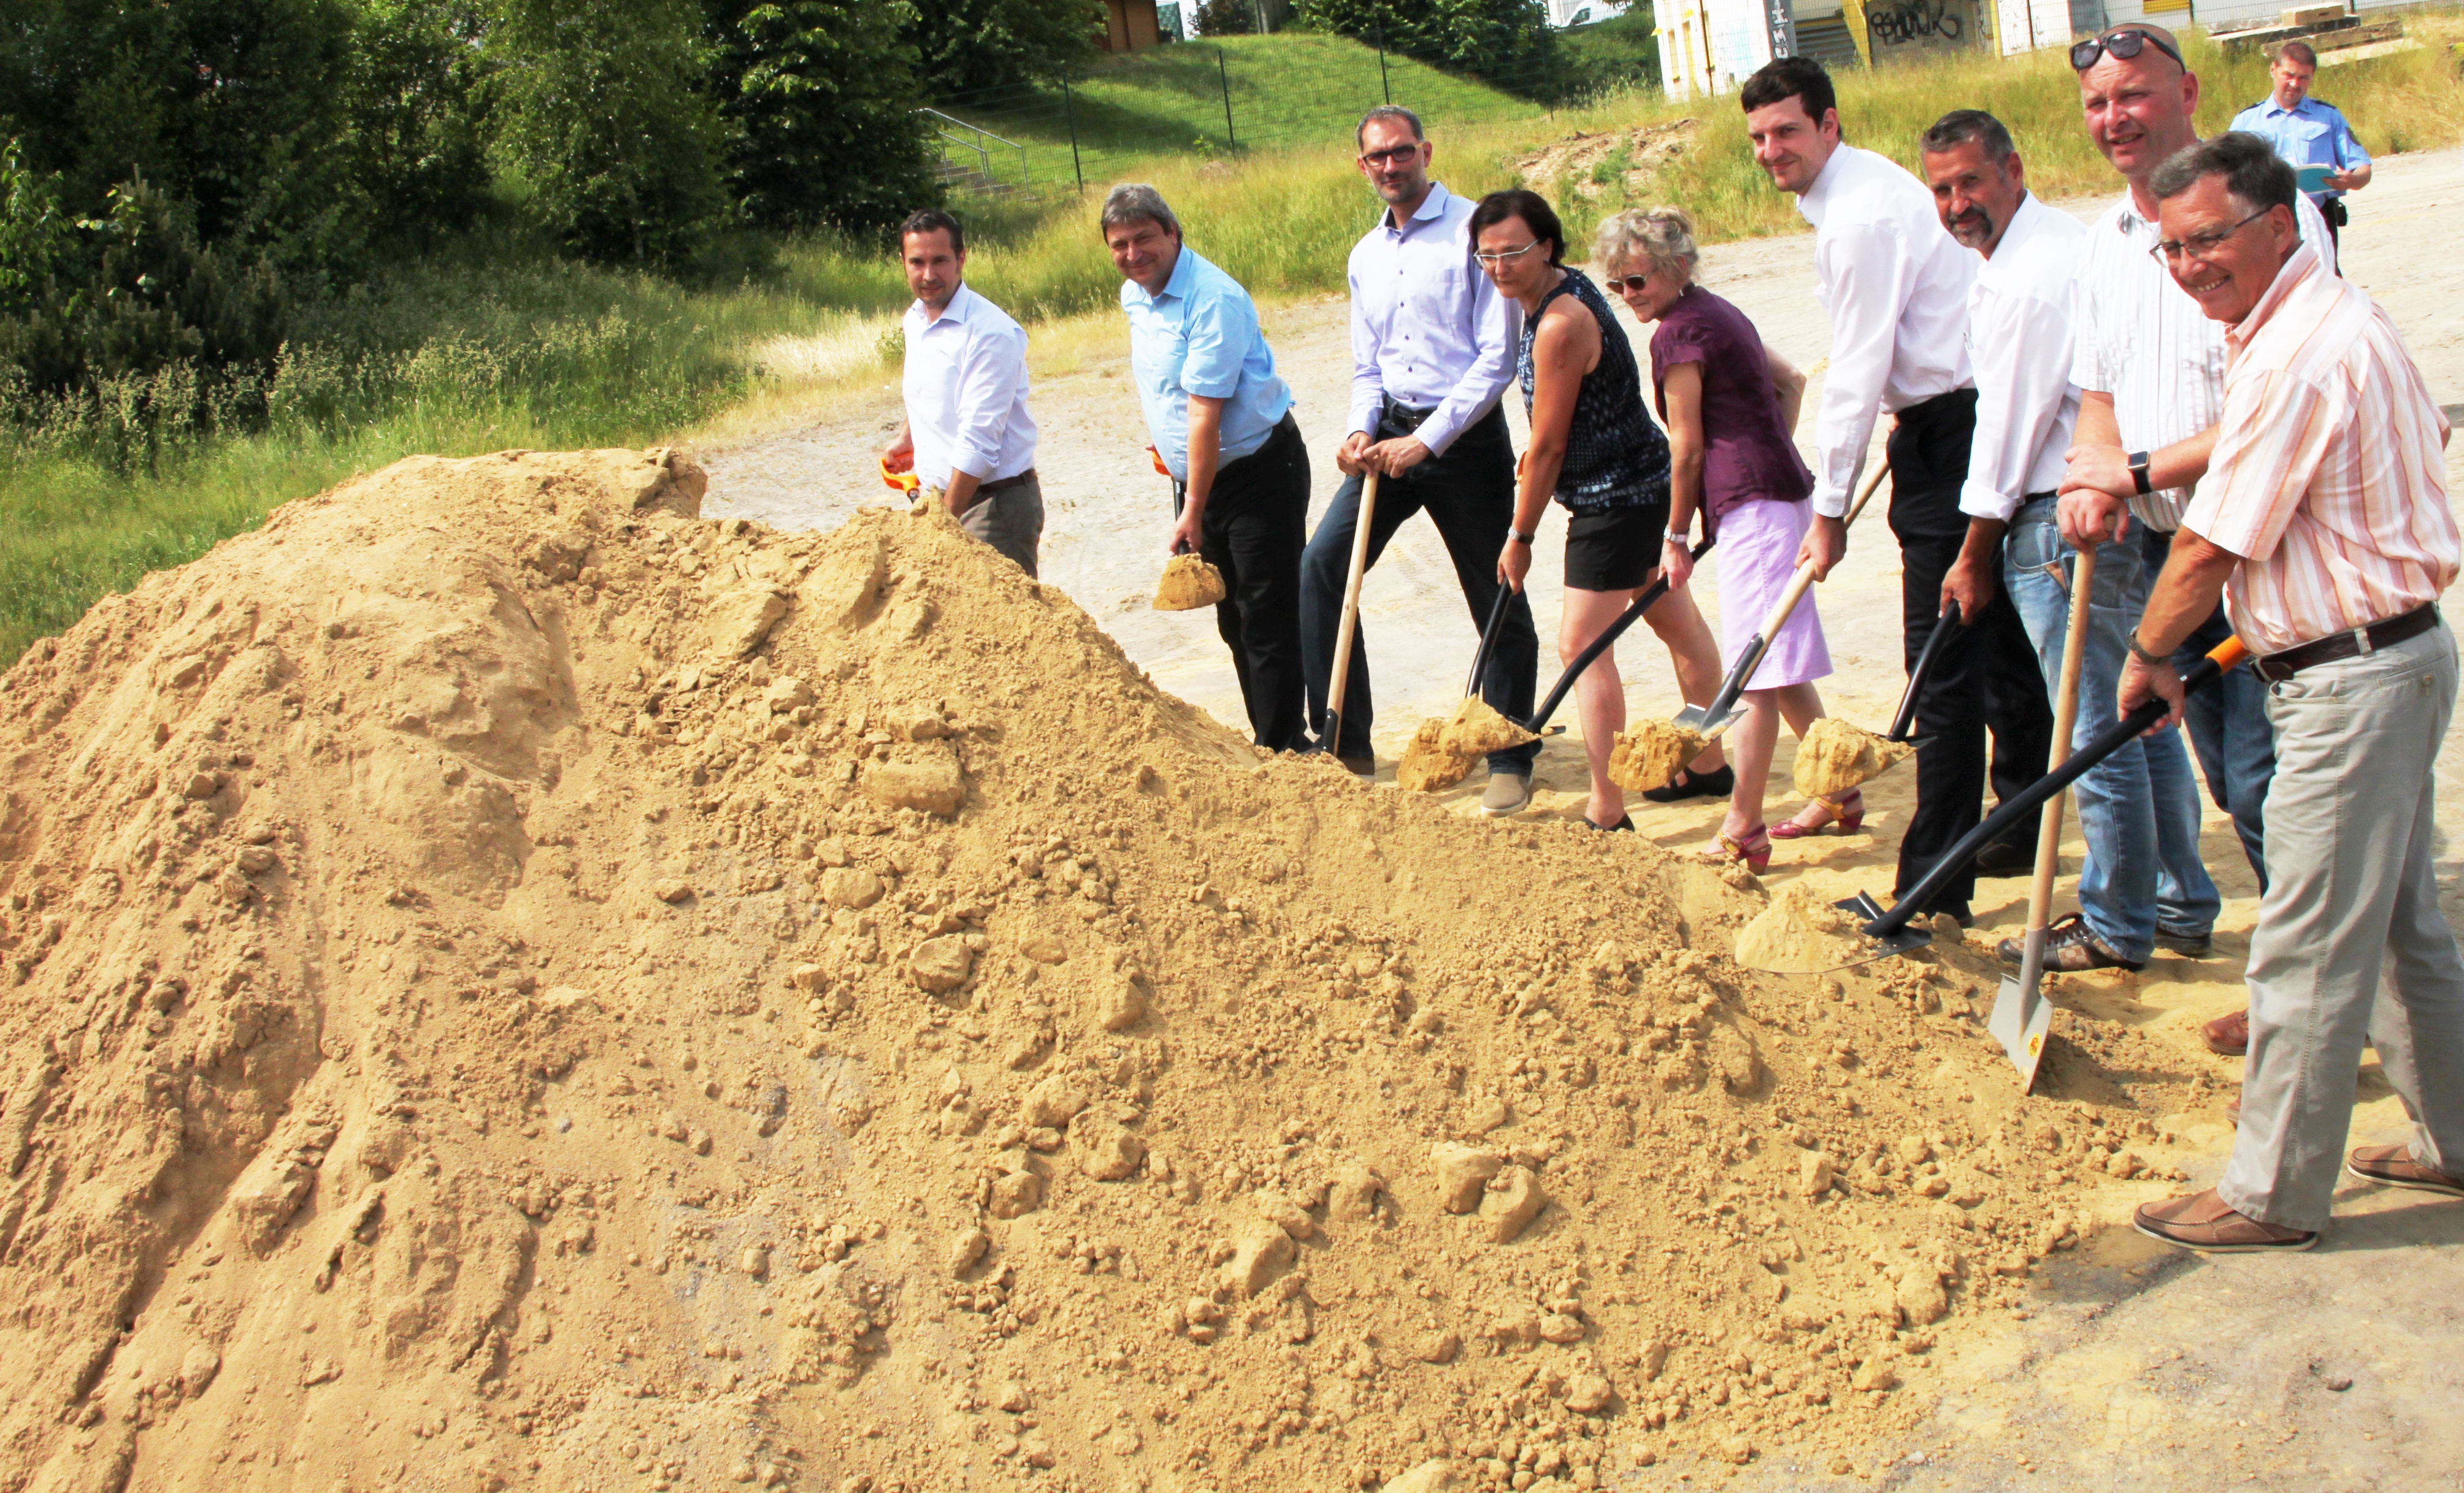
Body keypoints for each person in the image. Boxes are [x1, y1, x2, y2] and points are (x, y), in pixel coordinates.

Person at [2122, 132, 2464, 1253]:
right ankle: (2456, 1140)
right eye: (2172, 246)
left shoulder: (2301, 350)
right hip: (2384, 658)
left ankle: (2269, 1190)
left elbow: (2213, 541)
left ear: (2278, 224)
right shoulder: (2307, 327)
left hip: (2352, 678)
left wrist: (2150, 653)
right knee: (2404, 930)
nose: (2189, 264)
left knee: (2307, 941)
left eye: (2209, 238)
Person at [2056, 23, 2339, 1045]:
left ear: (2185, 88)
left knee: (2273, 786)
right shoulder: (2106, 244)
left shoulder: (2263, 214)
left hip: (2266, 547)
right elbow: (2099, 390)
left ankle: (2309, 1007)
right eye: (2096, 105)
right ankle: (2300, 990)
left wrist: (2130, 471)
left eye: (2132, 95)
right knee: (2236, 781)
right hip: (2170, 547)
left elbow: (2272, 404)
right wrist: (2095, 477)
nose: (2114, 118)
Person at [1740, 55, 2051, 926]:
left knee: (1942, 662)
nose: (1772, 150)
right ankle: (2019, 817)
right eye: (1759, 136)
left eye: (1788, 131)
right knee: (1994, 644)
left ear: (1829, 125)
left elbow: (1858, 365)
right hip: (1947, 418)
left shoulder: (1860, 218)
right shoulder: (1858, 192)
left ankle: (1930, 883)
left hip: (1953, 430)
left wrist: (1828, 510)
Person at [1919, 109, 2221, 974]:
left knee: (2091, 732)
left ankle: (2116, 922)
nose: (1956, 204)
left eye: (1970, 182)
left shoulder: (2030, 274)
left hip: (2059, 522)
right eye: (1941, 190)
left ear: (2013, 168)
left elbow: (2005, 436)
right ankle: (2178, 899)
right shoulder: (2050, 244)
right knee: (2135, 718)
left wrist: (1972, 551)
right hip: (2091, 506)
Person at [1303, 106, 1541, 809]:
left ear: (1425, 152)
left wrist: (1428, 439)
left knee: (1495, 589)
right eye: (1376, 156)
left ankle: (1510, 753)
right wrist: (1358, 432)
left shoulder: (1478, 232)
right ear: (1362, 165)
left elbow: (1497, 360)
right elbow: (1367, 363)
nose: (1390, 166)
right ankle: (1344, 743)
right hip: (1388, 441)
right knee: (1320, 568)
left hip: (1462, 443)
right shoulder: (1364, 255)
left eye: (1401, 152)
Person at [1599, 207, 1838, 872]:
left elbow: (1688, 450)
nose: (1629, 296)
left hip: (1752, 509)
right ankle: (1838, 788)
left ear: (1677, 267)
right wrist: (1764, 452)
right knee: (1777, 654)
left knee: (1752, 671)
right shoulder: (1719, 311)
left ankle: (1743, 826)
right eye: (1617, 285)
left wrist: (1675, 536)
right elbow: (1790, 381)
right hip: (1782, 493)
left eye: (1638, 281)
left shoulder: (1677, 334)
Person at [1470, 190, 1670, 834]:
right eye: (1487, 255)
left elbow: (1551, 444)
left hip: (1614, 498)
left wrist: (1520, 534)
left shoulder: (1558, 322)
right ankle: (1710, 764)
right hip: (1641, 478)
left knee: (1581, 645)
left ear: (1548, 246)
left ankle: (1608, 809)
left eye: (1514, 252)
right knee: (1675, 621)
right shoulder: (1555, 294)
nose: (1499, 267)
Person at [1106, 183, 1311, 754]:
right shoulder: (1134, 296)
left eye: (1143, 238)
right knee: (1231, 618)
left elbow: (1204, 413)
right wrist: (1169, 457)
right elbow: (1162, 387)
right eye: (1119, 244)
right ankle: (1271, 740)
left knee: (1265, 615)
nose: (1132, 254)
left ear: (1173, 233)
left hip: (1257, 472)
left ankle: (1287, 749)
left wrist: (1191, 508)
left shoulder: (1211, 298)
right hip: (1198, 478)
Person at [883, 209, 1043, 576]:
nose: (929, 275)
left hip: (991, 508)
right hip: (942, 499)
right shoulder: (916, 319)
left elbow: (980, 440)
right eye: (917, 262)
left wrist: (944, 524)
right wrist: (908, 438)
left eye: (940, 261)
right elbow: (931, 390)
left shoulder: (990, 333)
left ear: (961, 258)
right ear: (903, 263)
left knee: (1003, 627)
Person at [2230, 40, 2371, 264]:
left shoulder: (2328, 117)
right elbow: (2226, 177)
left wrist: (2351, 180)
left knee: (2324, 285)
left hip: (2319, 217)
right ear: (2273, 70)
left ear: (2312, 77)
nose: (2295, 84)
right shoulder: (2246, 121)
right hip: (2266, 223)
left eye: (2304, 78)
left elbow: (2363, 170)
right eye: (2289, 75)